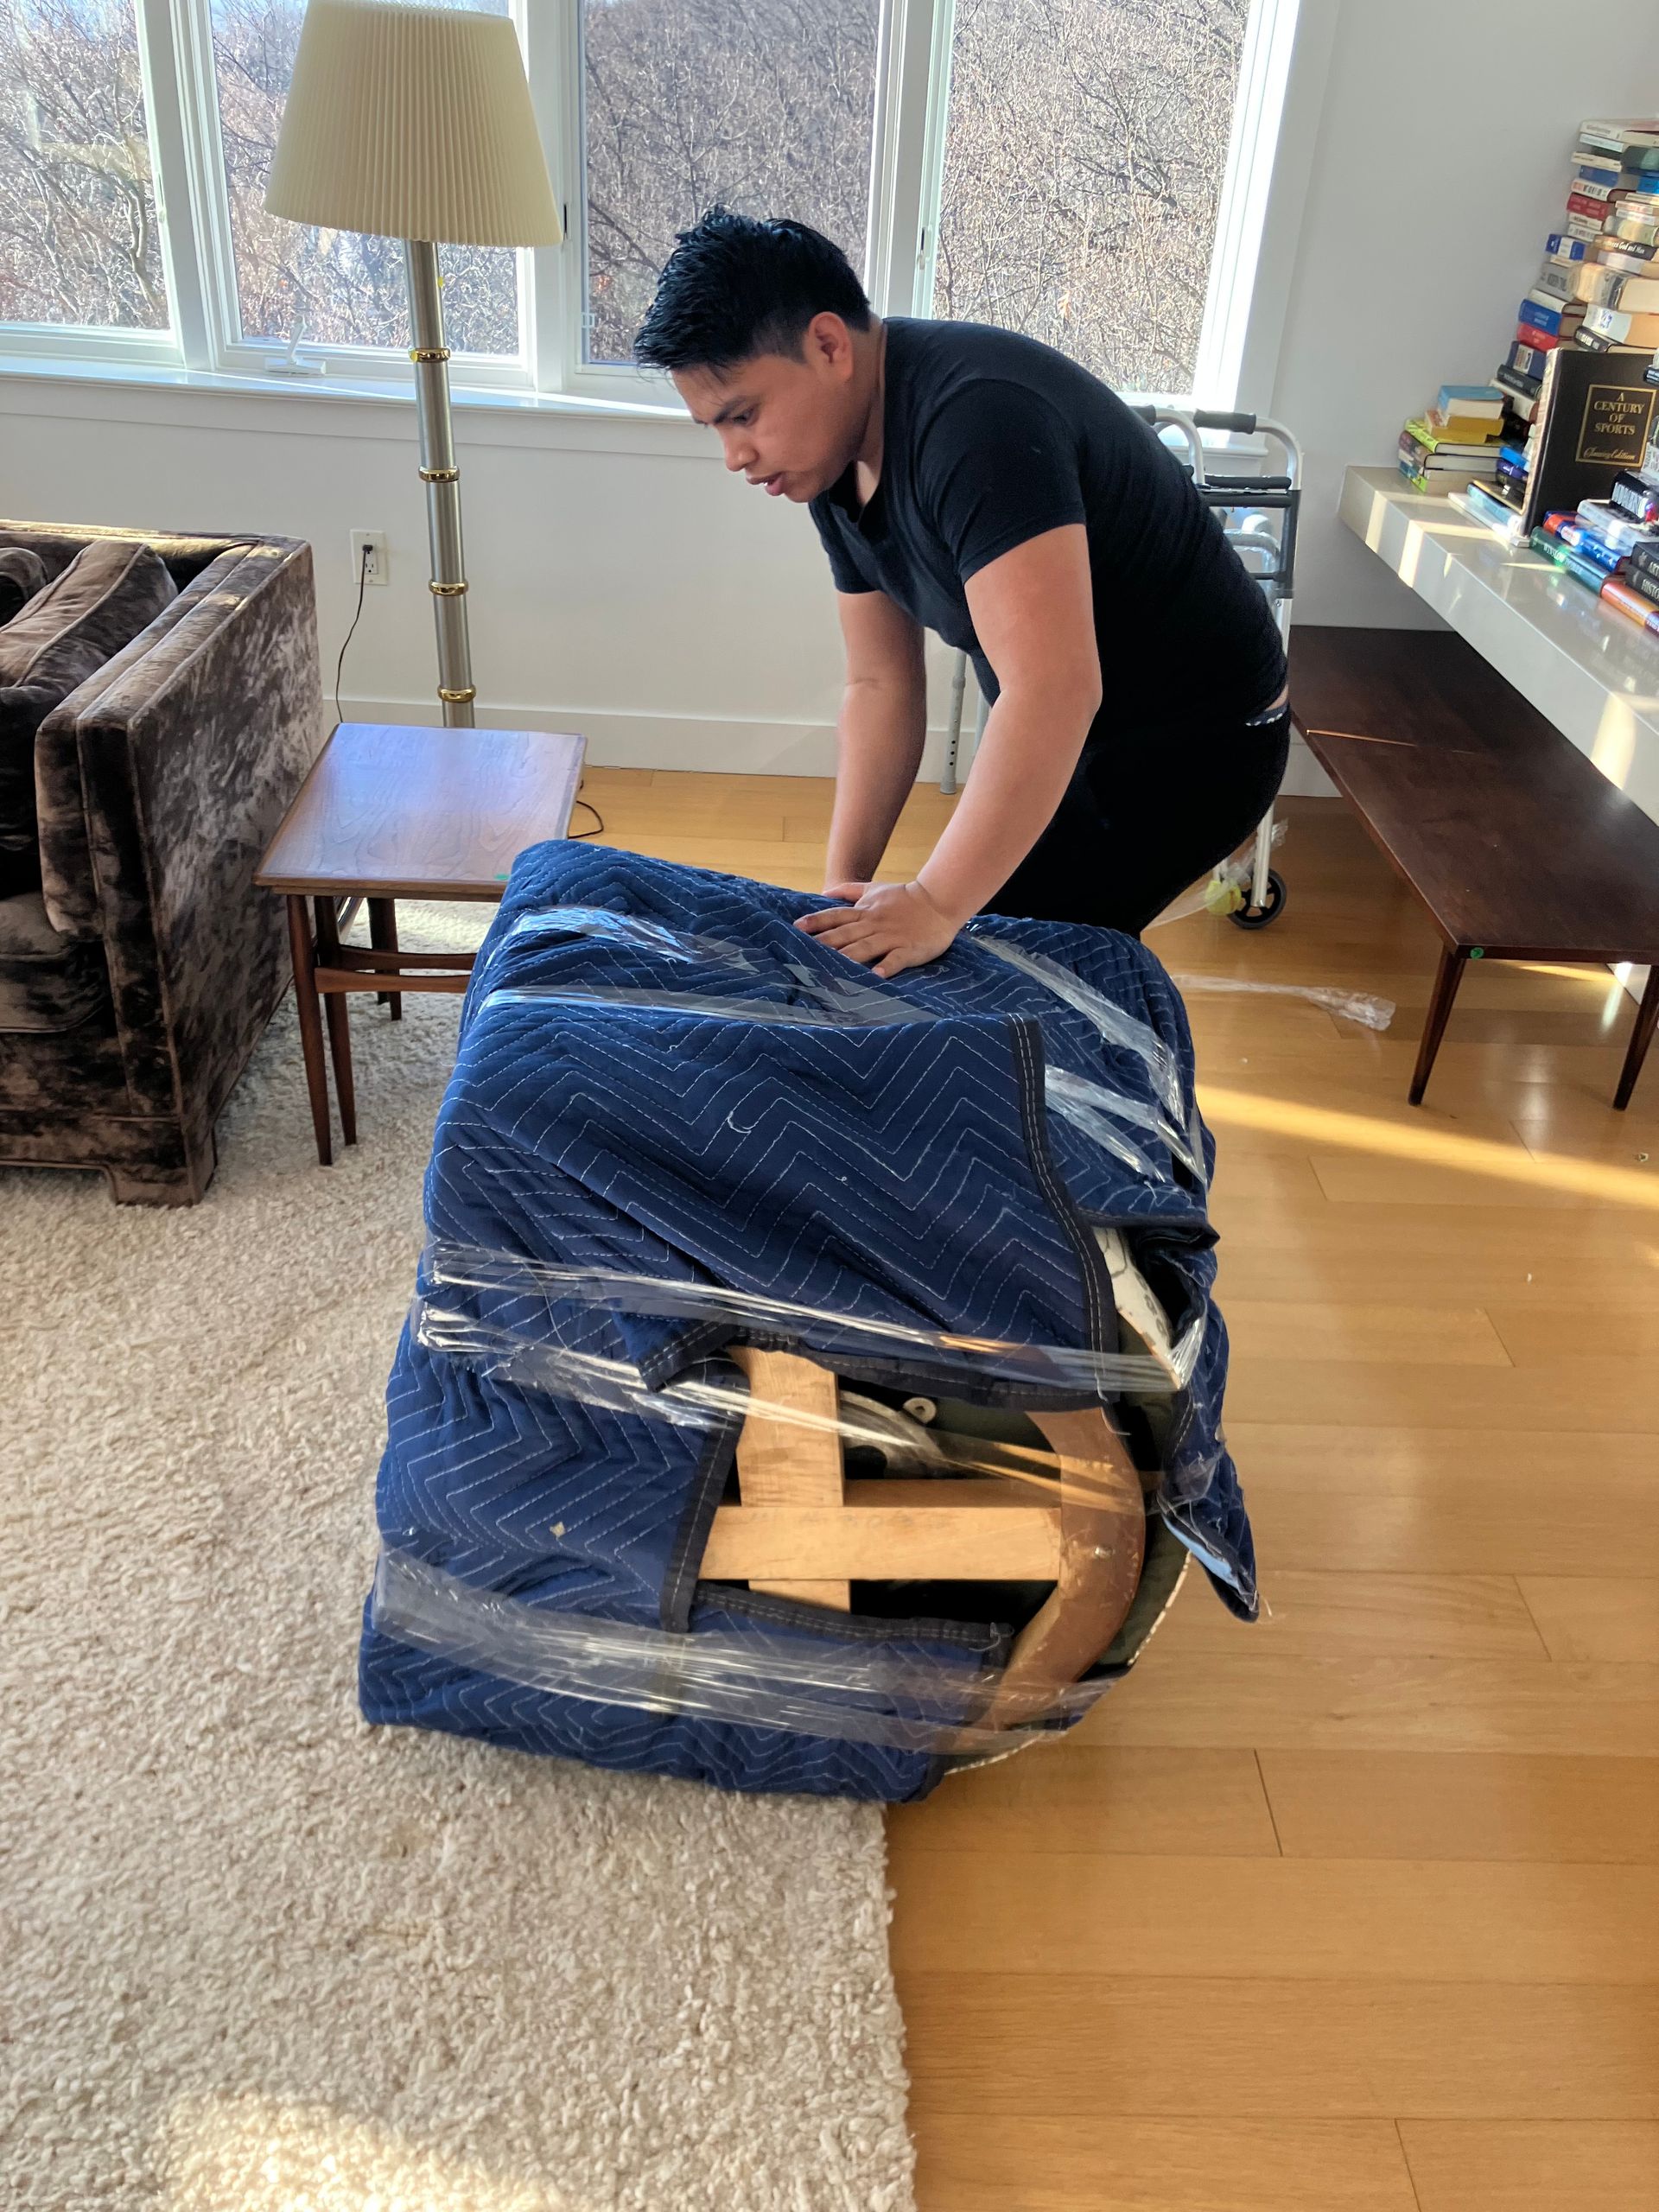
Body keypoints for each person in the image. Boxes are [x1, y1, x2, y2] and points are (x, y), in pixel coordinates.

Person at [634, 207, 1290, 981]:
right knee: (937, 940)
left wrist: (937, 904)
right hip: (1089, 729)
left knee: (998, 960)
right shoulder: (828, 459)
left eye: (743, 415)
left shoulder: (976, 421)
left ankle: (1081, 1088)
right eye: (714, 428)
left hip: (1197, 745)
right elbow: (879, 684)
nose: (735, 455)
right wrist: (836, 895)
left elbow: (1054, 689)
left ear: (829, 345)